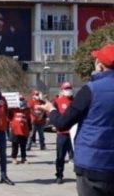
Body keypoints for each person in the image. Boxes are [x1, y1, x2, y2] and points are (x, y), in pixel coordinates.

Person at [38, 44, 114, 195]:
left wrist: (50, 110)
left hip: (92, 165)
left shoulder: (91, 90)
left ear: (99, 65)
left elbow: (62, 123)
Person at [9, 95, 31, 165]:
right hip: (15, 130)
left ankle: (23, 158)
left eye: (22, 100)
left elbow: (29, 120)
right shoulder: (13, 109)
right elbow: (8, 116)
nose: (21, 101)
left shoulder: (27, 110)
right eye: (20, 100)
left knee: (23, 145)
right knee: (15, 145)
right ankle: (14, 158)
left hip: (24, 130)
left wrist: (30, 129)